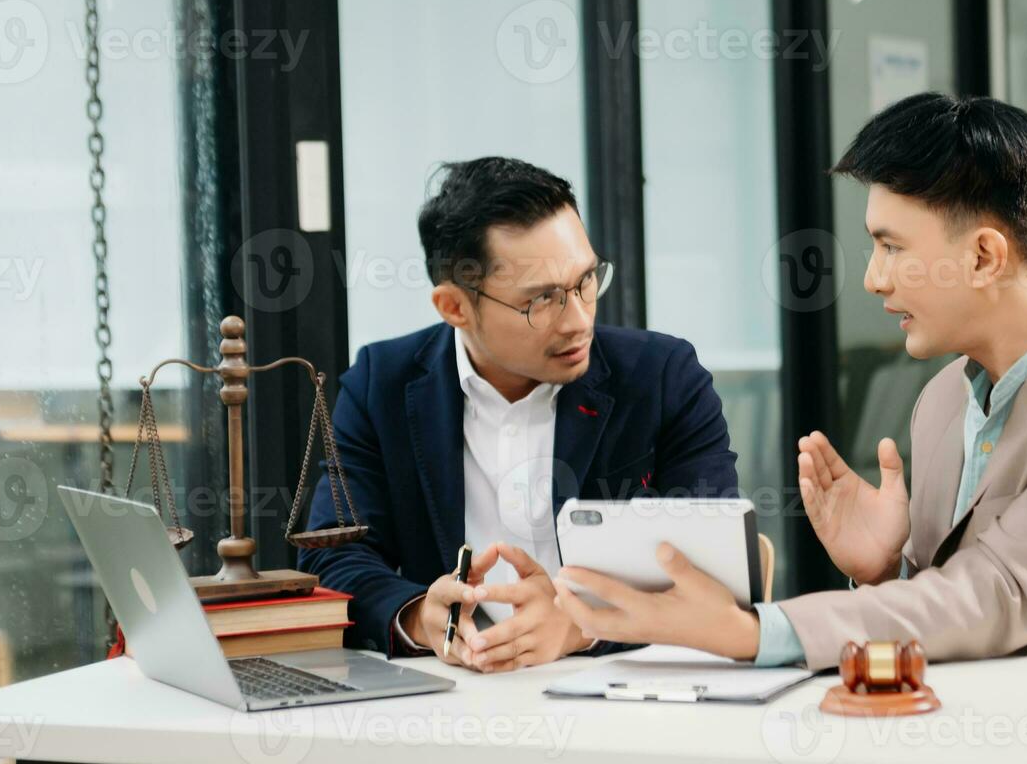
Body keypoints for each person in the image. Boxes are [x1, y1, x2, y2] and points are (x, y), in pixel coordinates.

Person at [553, 91, 1027, 672]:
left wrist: (750, 632)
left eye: (892, 246)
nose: (873, 278)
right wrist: (887, 568)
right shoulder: (942, 401)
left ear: (986, 255)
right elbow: (949, 611)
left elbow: (994, 596)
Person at [298, 156, 739, 672]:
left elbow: (715, 577)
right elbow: (332, 558)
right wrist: (420, 616)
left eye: (585, 282)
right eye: (543, 300)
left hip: (624, 694)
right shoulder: (382, 385)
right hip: (455, 700)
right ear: (455, 307)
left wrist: (580, 626)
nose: (578, 321)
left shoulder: (663, 378)